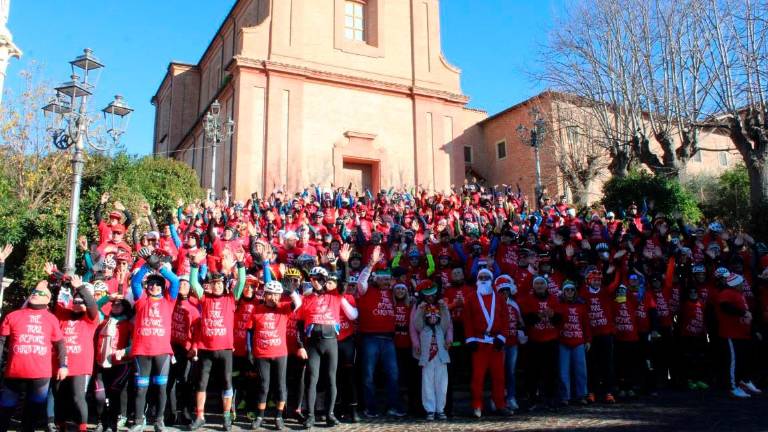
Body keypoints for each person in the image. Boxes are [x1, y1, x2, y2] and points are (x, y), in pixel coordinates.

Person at [188, 249, 246, 431]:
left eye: (221, 283)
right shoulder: (204, 299)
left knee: (227, 383)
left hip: (225, 350)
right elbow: (192, 283)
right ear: (211, 286)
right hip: (206, 349)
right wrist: (195, 265)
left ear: (225, 285)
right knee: (201, 384)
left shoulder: (231, 298)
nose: (218, 286)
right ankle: (200, 416)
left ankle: (227, 417)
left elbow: (242, 283)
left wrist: (241, 263)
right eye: (215, 284)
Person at [0, 278, 67, 432]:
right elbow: (1, 340)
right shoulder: (13, 315)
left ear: (47, 299)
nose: (36, 294)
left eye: (40, 293)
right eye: (34, 292)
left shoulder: (51, 319)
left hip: (40, 375)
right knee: (5, 410)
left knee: (32, 414)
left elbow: (60, 344)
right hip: (14, 372)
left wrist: (63, 365)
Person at [297, 267, 358, 428]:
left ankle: (329, 414)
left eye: (317, 278)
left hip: (331, 342)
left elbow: (344, 282)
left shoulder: (335, 294)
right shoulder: (307, 297)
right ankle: (310, 416)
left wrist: (345, 263)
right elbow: (299, 324)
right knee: (312, 380)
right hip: (313, 344)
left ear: (324, 280)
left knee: (332, 380)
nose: (314, 281)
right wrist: (300, 345)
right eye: (312, 279)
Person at [128, 254, 181, 432]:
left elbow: (174, 281)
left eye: (158, 284)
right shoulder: (141, 299)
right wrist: (145, 266)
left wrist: (158, 266)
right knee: (141, 390)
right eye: (151, 283)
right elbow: (135, 282)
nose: (155, 286)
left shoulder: (169, 300)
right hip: (142, 351)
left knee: (161, 388)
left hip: (162, 352)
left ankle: (159, 421)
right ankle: (138, 421)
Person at [249, 274, 302, 430]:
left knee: (280, 385)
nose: (273, 297)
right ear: (265, 295)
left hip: (280, 353)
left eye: (276, 295)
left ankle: (278, 417)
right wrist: (250, 351)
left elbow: (297, 303)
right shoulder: (256, 310)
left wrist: (291, 291)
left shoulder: (283, 308)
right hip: (261, 354)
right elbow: (250, 332)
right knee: (263, 386)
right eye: (270, 294)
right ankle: (260, 416)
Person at [52, 275, 99, 432]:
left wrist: (80, 288)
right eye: (76, 301)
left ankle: (82, 427)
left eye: (82, 302)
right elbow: (57, 297)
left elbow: (92, 305)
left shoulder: (90, 319)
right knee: (59, 397)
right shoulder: (63, 315)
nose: (79, 305)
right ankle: (60, 425)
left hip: (80, 365)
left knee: (77, 397)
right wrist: (56, 276)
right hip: (61, 363)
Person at [463, 268, 510, 418]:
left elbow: (505, 320)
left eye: (486, 277)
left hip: (495, 343)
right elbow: (467, 320)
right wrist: (470, 339)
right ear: (477, 279)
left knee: (499, 376)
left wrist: (502, 337)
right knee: (478, 377)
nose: (483, 279)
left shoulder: (499, 298)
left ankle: (500, 405)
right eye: (481, 276)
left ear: (491, 279)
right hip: (479, 343)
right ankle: (477, 406)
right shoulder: (471, 298)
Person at [93, 298, 133, 432]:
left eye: (119, 304)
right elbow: (95, 306)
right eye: (113, 304)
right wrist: (108, 298)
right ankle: (102, 422)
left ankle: (112, 425)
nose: (115, 306)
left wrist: (124, 351)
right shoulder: (104, 320)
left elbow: (134, 345)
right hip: (101, 363)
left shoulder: (129, 323)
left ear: (125, 307)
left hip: (120, 364)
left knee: (113, 394)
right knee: (100, 396)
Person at [412, 284, 451, 421]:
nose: (433, 318)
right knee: (427, 383)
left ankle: (440, 409)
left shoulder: (441, 328)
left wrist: (444, 308)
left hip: (441, 358)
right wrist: (420, 310)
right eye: (430, 316)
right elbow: (416, 323)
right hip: (427, 358)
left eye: (435, 316)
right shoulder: (423, 328)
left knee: (442, 384)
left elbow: (447, 321)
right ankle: (430, 409)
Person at [556, 280, 590, 405]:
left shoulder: (581, 305)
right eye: (567, 290)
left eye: (571, 290)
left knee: (581, 370)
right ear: (563, 291)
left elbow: (586, 324)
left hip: (579, 341)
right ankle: (565, 396)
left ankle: (582, 395)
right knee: (563, 371)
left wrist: (588, 340)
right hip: (563, 342)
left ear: (574, 291)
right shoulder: (558, 304)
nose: (569, 292)